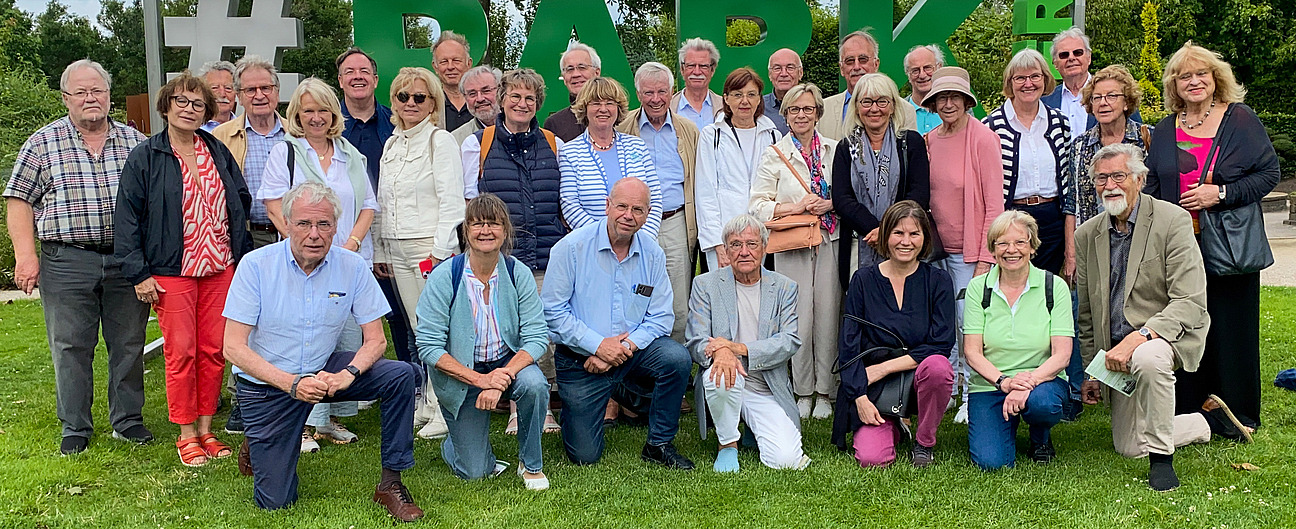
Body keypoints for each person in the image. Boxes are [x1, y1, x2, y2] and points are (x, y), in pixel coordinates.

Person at [223, 182, 422, 520]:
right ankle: (259, 441)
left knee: (400, 375)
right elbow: (232, 347)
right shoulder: (255, 266)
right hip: (269, 385)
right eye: (304, 223)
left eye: (324, 224)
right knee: (276, 502)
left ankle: (391, 483)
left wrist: (348, 374)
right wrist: (292, 384)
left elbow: (376, 340)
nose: (314, 234)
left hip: (323, 370)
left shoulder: (352, 266)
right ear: (287, 224)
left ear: (335, 227)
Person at [1076, 143, 1254, 492]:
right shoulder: (1087, 235)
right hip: (1117, 351)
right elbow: (1086, 312)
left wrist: (1141, 336)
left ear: (1139, 180)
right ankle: (1208, 422)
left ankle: (1161, 460)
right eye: (1101, 178)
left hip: (1165, 335)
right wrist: (1090, 370)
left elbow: (1190, 300)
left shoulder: (1172, 220)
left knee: (1149, 357)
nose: (1109, 185)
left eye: (1118, 176)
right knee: (1129, 447)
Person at [4, 59, 152, 455]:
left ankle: (128, 420)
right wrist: (25, 255)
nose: (91, 99)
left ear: (109, 96)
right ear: (66, 98)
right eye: (81, 92)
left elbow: (153, 201)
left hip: (125, 260)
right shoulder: (42, 143)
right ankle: (75, 426)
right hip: (66, 260)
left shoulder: (135, 143)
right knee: (70, 346)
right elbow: (18, 200)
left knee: (128, 342)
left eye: (97, 91)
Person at [115, 73, 252, 466]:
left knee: (213, 350)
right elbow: (127, 218)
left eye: (198, 104)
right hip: (171, 270)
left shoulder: (216, 149)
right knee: (181, 352)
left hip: (219, 266)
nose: (189, 109)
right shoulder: (146, 156)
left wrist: (239, 253)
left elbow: (239, 197)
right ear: (166, 106)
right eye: (181, 101)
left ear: (206, 112)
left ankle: (207, 428)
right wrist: (139, 272)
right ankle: (186, 433)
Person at [1144, 42, 1279, 427]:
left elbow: (1268, 174)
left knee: (1231, 327)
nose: (1194, 81)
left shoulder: (1240, 119)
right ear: (1174, 85)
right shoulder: (1165, 129)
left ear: (1215, 77)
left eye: (1201, 73)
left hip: (1229, 245)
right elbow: (1153, 185)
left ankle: (1236, 413)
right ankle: (1189, 410)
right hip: (1180, 247)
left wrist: (1219, 194)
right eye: (1184, 76)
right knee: (1186, 325)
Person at [258, 78, 381, 449]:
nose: (316, 117)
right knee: (307, 339)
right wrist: (307, 245)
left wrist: (350, 244)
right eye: (308, 110)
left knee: (344, 338)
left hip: (348, 261)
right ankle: (303, 422)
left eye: (323, 110)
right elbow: (274, 205)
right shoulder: (286, 152)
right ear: (297, 114)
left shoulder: (350, 155)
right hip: (302, 263)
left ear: (333, 114)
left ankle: (330, 419)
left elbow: (368, 206)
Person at [542, 178, 695, 469]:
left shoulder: (653, 254)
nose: (628, 215)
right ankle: (586, 405)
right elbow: (553, 313)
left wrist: (621, 348)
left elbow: (661, 317)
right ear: (607, 206)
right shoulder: (571, 248)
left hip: (630, 355)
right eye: (622, 206)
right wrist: (598, 346)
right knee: (584, 455)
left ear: (647, 214)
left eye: (638, 209)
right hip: (581, 360)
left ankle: (659, 444)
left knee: (676, 358)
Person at [416, 194, 551, 490]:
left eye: (494, 223)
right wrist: (480, 380)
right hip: (462, 371)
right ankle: (457, 443)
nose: (486, 231)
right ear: (466, 230)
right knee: (475, 472)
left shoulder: (517, 273)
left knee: (534, 385)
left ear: (505, 230)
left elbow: (537, 335)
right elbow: (428, 346)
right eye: (477, 224)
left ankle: (531, 464)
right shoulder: (444, 277)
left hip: (506, 362)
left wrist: (501, 377)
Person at [461, 67, 565, 435]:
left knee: (542, 332)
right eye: (515, 96)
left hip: (547, 255)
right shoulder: (478, 144)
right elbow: (469, 204)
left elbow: (562, 202)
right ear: (502, 100)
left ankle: (543, 407)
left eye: (530, 98)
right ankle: (515, 409)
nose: (522, 103)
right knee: (508, 331)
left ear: (538, 103)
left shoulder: (554, 144)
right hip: (500, 260)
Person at [374, 66, 466, 440]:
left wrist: (441, 252)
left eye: (419, 97)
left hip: (428, 247)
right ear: (394, 101)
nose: (410, 103)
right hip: (396, 247)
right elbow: (382, 201)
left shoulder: (439, 141)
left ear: (432, 103)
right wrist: (380, 247)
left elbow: (453, 201)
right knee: (417, 329)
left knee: (436, 329)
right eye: (403, 96)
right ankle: (428, 402)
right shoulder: (392, 145)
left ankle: (446, 406)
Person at [1058, 64, 1151, 420]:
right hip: (1092, 242)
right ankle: (1084, 387)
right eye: (1096, 97)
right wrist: (1071, 252)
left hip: (1137, 241)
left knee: (1131, 307)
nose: (1103, 103)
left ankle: (1135, 382)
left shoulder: (1146, 139)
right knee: (1085, 309)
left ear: (1127, 101)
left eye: (1112, 96)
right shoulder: (1079, 146)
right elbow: (1072, 202)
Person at [833, 201, 955, 468]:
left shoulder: (938, 281)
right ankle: (895, 425)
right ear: (886, 235)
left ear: (925, 238)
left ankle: (924, 442)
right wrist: (859, 397)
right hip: (873, 385)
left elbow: (941, 343)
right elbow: (849, 345)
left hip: (917, 373)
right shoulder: (863, 280)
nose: (906, 242)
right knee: (872, 458)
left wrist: (883, 369)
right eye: (898, 233)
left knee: (939, 367)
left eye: (914, 234)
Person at [687, 214, 809, 472]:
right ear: (725, 250)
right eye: (735, 244)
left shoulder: (785, 287)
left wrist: (738, 348)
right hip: (725, 375)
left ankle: (753, 427)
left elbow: (789, 341)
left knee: (785, 460)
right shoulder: (705, 284)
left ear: (764, 247)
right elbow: (696, 340)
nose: (744, 251)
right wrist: (721, 352)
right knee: (721, 376)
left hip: (765, 383)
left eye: (751, 244)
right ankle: (727, 444)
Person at [750, 83, 840, 419]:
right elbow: (757, 205)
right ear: (786, 115)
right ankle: (803, 390)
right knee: (799, 317)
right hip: (792, 243)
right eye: (794, 109)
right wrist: (795, 207)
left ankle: (826, 391)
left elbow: (847, 194)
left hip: (830, 239)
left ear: (818, 114)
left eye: (808, 109)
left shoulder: (834, 150)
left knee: (829, 313)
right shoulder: (774, 154)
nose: (801, 115)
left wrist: (829, 203)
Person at [919, 66, 1003, 423]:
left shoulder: (983, 139)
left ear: (967, 101)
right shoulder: (930, 140)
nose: (948, 103)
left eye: (955, 97)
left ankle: (973, 394)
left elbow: (995, 205)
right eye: (942, 98)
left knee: (970, 324)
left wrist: (985, 259)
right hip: (935, 251)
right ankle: (949, 388)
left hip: (970, 254)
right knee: (943, 324)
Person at [963, 211, 1073, 470]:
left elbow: (1062, 355)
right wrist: (1005, 382)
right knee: (992, 463)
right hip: (991, 383)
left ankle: (1040, 437)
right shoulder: (978, 288)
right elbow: (972, 352)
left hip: (1042, 381)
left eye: (1020, 242)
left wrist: (1027, 384)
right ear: (992, 249)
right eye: (1002, 243)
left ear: (1033, 246)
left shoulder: (1054, 286)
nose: (1011, 250)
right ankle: (1005, 423)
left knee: (1042, 404)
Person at [335, 47, 417, 366]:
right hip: (345, 233)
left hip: (391, 230)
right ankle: (352, 377)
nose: (358, 77)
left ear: (376, 79)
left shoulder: (397, 123)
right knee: (345, 315)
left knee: (399, 311)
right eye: (350, 72)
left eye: (364, 71)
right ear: (340, 80)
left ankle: (411, 376)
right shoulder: (329, 125)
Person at [618, 61, 701, 344]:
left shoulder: (688, 130)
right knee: (635, 296)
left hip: (675, 222)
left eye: (662, 92)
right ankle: (637, 359)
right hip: (634, 225)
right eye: (648, 92)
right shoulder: (623, 129)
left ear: (671, 92)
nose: (656, 99)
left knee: (677, 301)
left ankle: (674, 359)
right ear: (638, 94)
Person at [831, 73, 930, 289]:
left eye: (882, 101)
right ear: (857, 107)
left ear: (893, 106)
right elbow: (842, 199)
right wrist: (875, 229)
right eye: (866, 102)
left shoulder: (911, 143)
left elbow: (919, 193)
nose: (874, 109)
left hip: (903, 241)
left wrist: (888, 230)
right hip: (860, 243)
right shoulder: (846, 147)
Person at [983, 48, 1074, 279]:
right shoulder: (991, 126)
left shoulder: (1059, 122)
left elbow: (1067, 179)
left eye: (1035, 76)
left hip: (1052, 220)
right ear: (1010, 82)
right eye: (1020, 78)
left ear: (1045, 79)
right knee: (1013, 282)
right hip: (1011, 219)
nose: (1028, 84)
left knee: (1047, 285)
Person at [696, 67, 781, 271]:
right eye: (737, 95)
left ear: (759, 99)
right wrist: (717, 244)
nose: (745, 101)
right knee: (724, 288)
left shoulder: (773, 136)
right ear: (726, 98)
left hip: (762, 235)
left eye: (751, 95)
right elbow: (705, 192)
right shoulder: (712, 136)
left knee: (756, 288)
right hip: (725, 235)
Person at [559, 77, 664, 238]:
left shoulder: (637, 146)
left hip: (640, 243)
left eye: (609, 103)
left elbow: (654, 198)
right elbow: (570, 205)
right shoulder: (569, 152)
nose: (603, 109)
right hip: (591, 244)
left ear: (618, 108)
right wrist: (604, 239)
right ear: (584, 108)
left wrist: (642, 238)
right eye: (596, 103)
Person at [211, 55, 286, 251]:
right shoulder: (220, 137)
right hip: (246, 236)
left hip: (293, 235)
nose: (259, 95)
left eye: (266, 88)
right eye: (250, 90)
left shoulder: (296, 134)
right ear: (239, 96)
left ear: (277, 92)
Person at [821, 30, 916, 141]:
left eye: (863, 60)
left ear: (876, 64)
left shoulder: (905, 110)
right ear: (841, 69)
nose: (856, 67)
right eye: (850, 61)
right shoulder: (823, 110)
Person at [544, 41, 601, 141]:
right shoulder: (554, 124)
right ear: (564, 77)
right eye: (569, 69)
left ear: (597, 73)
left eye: (582, 68)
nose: (576, 74)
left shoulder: (614, 116)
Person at [672, 38, 724, 130]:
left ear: (712, 70)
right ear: (682, 69)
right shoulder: (669, 107)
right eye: (691, 65)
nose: (697, 72)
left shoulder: (725, 107)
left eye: (703, 66)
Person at [433, 30, 475, 132]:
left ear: (469, 64)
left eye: (456, 60)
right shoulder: (429, 105)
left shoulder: (483, 101)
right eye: (444, 62)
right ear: (435, 67)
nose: (450, 67)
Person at [451, 65, 502, 145]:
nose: (480, 99)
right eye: (472, 94)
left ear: (500, 91)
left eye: (486, 91)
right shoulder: (456, 139)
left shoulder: (520, 128)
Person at [902, 45, 944, 134]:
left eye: (927, 68)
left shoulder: (957, 109)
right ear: (908, 74)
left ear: (939, 68)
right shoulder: (898, 111)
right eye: (915, 70)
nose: (922, 75)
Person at [764, 48, 804, 134]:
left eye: (790, 68)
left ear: (800, 73)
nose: (784, 74)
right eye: (777, 68)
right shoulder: (758, 107)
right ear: (770, 74)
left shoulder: (813, 106)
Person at [198, 60, 237, 131]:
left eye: (228, 88)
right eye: (215, 88)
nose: (222, 94)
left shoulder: (244, 129)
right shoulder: (191, 129)